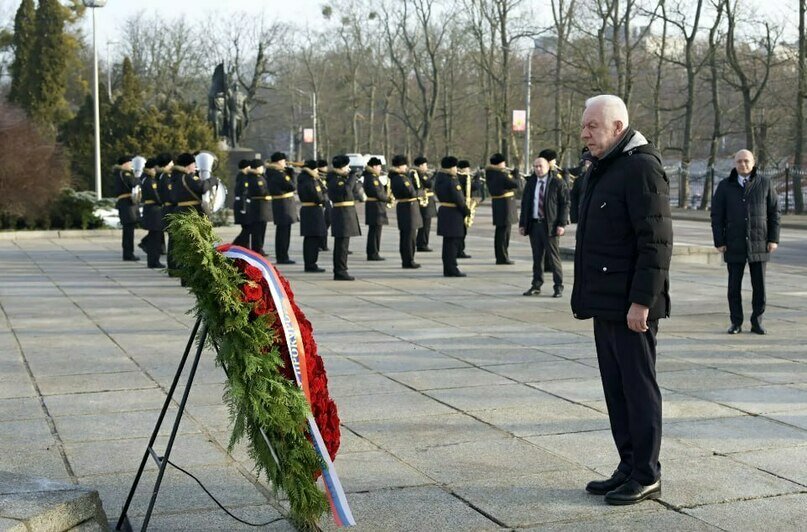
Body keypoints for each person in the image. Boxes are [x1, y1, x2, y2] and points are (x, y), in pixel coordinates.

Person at [571, 94, 672, 505]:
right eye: (583, 126)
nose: (584, 133)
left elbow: (656, 242)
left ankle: (647, 473)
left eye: (592, 126)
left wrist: (642, 302)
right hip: (606, 301)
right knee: (616, 390)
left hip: (632, 306)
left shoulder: (641, 168)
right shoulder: (604, 166)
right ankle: (627, 465)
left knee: (638, 389)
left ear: (617, 127)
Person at [710, 149, 780, 335]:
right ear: (735, 164)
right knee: (734, 287)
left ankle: (757, 322)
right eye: (739, 161)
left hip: (759, 242)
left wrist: (773, 239)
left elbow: (774, 213)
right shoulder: (725, 186)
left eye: (746, 161)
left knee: (760, 287)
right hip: (734, 243)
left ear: (753, 162)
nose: (743, 164)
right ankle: (736, 322)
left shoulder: (765, 183)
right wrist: (719, 241)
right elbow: (716, 216)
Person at [519, 154, 569, 297]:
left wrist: (561, 224)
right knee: (537, 257)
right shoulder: (531, 183)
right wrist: (523, 224)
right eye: (535, 167)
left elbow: (565, 204)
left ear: (548, 167)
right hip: (535, 225)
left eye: (540, 166)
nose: (538, 169)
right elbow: (525, 204)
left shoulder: (557, 182)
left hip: (550, 226)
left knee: (553, 258)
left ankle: (558, 286)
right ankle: (536, 285)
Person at [326, 155, 361, 280]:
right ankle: (340, 271)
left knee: (344, 245)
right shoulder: (335, 179)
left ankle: (341, 269)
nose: (349, 169)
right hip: (342, 214)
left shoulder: (341, 178)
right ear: (341, 167)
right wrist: (352, 176)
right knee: (341, 246)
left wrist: (354, 179)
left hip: (345, 213)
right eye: (347, 166)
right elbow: (346, 190)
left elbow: (354, 193)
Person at [434, 156, 470, 277]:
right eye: (455, 167)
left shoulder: (440, 178)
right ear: (450, 167)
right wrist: (466, 210)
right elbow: (458, 198)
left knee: (447, 243)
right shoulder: (452, 180)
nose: (456, 169)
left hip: (445, 211)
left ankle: (448, 267)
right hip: (453, 213)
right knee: (453, 243)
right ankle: (452, 268)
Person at [389, 155, 423, 269]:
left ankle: (407, 259)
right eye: (404, 165)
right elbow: (411, 192)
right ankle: (409, 260)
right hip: (409, 207)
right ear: (400, 166)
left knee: (405, 236)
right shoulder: (401, 178)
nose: (406, 167)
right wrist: (420, 192)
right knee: (409, 237)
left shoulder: (395, 177)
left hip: (404, 207)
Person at [485, 153, 519, 264]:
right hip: (505, 205)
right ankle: (503, 257)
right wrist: (516, 175)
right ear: (500, 163)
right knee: (504, 233)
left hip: (498, 204)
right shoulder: (501, 174)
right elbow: (516, 184)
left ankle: (500, 256)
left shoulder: (490, 173)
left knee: (500, 232)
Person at [266, 152, 298, 264]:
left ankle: (282, 255)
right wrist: (292, 174)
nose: (285, 163)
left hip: (281, 204)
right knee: (283, 233)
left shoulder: (272, 172)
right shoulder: (278, 173)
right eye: (284, 161)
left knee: (283, 232)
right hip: (284, 204)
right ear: (279, 161)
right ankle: (283, 257)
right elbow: (292, 186)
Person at [297, 159, 328, 272]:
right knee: (312, 238)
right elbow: (318, 195)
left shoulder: (305, 178)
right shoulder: (310, 180)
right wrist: (324, 200)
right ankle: (311, 264)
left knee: (311, 238)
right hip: (313, 210)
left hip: (310, 210)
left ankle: (310, 263)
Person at [112, 155, 141, 262]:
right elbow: (133, 183)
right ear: (124, 164)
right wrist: (137, 177)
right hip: (127, 204)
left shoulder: (120, 173)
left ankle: (128, 252)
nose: (131, 165)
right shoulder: (125, 173)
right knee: (129, 230)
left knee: (128, 230)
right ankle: (128, 253)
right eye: (129, 163)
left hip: (125, 203)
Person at [139, 158, 165, 268]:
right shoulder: (150, 181)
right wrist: (164, 201)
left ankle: (153, 261)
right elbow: (156, 195)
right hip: (154, 211)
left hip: (150, 210)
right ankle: (154, 261)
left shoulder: (145, 178)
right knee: (155, 237)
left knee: (153, 236)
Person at [362, 157, 389, 261]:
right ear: (374, 166)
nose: (380, 168)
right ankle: (373, 253)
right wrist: (387, 198)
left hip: (375, 206)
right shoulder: (372, 178)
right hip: (375, 206)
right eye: (379, 166)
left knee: (375, 231)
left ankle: (374, 251)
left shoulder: (371, 177)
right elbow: (377, 192)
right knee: (375, 231)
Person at [248, 159, 271, 256]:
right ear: (257, 168)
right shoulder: (255, 178)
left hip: (262, 206)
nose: (262, 169)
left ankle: (260, 248)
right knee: (257, 229)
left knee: (262, 228)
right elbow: (262, 191)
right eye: (261, 167)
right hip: (258, 206)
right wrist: (269, 193)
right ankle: (257, 249)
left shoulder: (261, 176)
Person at [412, 156, 436, 252]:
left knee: (424, 224)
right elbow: (429, 184)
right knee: (426, 224)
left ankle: (421, 242)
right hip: (425, 201)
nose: (426, 167)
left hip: (424, 200)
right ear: (421, 165)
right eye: (425, 165)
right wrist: (434, 177)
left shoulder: (416, 173)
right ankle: (422, 243)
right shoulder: (420, 174)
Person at [456, 160, 479, 259]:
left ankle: (459, 249)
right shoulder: (464, 178)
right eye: (467, 168)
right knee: (462, 230)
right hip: (464, 205)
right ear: (463, 169)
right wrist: (477, 179)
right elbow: (475, 187)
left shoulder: (457, 177)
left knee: (461, 229)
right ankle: (459, 250)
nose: (469, 170)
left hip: (461, 205)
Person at [232, 159, 253, 248]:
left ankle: (243, 246)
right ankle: (236, 245)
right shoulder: (243, 178)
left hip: (242, 205)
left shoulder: (241, 177)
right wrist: (244, 208)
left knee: (247, 228)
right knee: (248, 228)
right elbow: (243, 193)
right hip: (242, 206)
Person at [569, 147, 593, 224]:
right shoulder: (579, 179)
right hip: (582, 216)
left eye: (591, 162)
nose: (588, 165)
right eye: (587, 163)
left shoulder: (603, 177)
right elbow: (574, 199)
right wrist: (574, 217)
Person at [317, 159, 332, 251]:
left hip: (328, 201)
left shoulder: (327, 176)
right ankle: (320, 244)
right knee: (322, 224)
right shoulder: (317, 177)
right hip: (322, 201)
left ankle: (323, 244)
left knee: (327, 222)